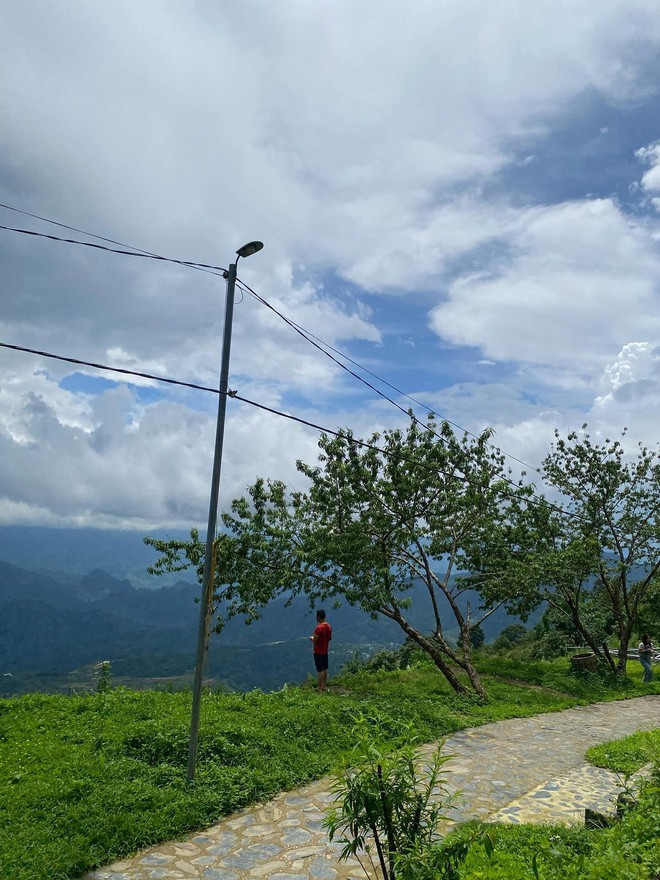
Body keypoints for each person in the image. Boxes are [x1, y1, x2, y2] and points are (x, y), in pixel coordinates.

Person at [309, 609, 332, 692]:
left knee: (320, 670)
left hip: (318, 651)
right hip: (325, 651)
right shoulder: (329, 627)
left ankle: (319, 687)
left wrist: (311, 638)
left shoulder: (318, 628)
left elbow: (315, 640)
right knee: (325, 669)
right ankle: (324, 686)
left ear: (318, 617)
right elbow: (330, 638)